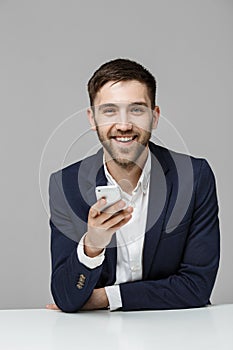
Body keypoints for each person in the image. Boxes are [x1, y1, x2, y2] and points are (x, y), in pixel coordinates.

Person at [47, 58, 220, 312]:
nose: (124, 125)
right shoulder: (65, 185)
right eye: (109, 111)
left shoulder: (194, 177)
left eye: (137, 110)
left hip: (176, 331)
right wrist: (92, 245)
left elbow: (196, 286)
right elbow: (66, 297)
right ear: (92, 119)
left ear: (155, 117)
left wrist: (106, 297)